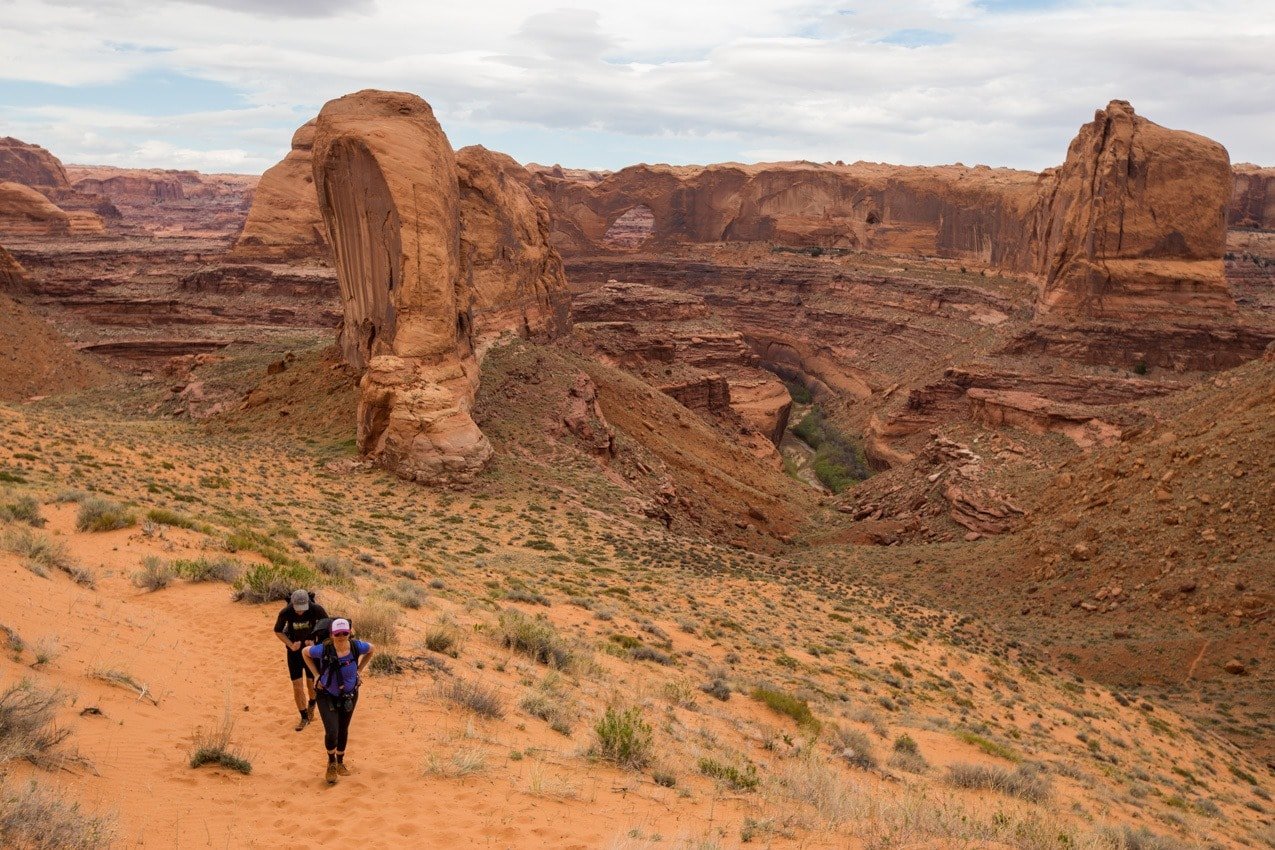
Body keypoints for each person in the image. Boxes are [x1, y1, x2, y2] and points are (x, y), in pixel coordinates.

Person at [303, 618, 374, 784]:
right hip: (326, 694)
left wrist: (359, 670)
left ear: (349, 633)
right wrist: (316, 675)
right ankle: (331, 762)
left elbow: (372, 649)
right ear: (331, 634)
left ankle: (340, 762)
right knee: (332, 730)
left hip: (349, 695)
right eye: (338, 633)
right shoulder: (324, 649)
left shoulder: (356, 646)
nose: (341, 636)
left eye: (345, 633)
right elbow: (305, 652)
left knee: (343, 729)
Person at [273, 589, 329, 731]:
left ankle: (312, 702)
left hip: (311, 653)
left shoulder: (316, 609)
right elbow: (278, 630)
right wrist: (290, 644)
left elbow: (328, 627)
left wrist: (316, 644)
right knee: (297, 685)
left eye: (302, 609)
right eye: (297, 609)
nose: (300, 612)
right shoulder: (286, 612)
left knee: (312, 685)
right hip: (294, 653)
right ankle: (303, 717)